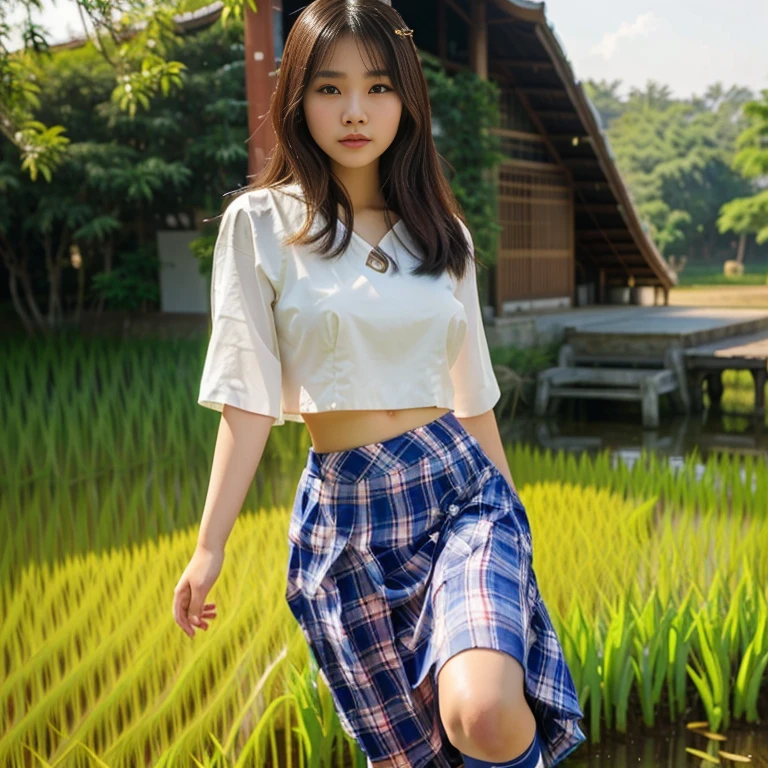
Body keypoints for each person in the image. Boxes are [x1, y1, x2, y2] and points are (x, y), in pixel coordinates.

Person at [172, 1, 587, 766]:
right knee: (417, 755)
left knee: (488, 714)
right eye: (330, 89)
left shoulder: (443, 235)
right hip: (348, 523)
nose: (355, 111)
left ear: (407, 100)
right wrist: (209, 546)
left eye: (378, 88)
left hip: (461, 493)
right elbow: (249, 395)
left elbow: (476, 398)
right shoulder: (262, 223)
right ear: (297, 98)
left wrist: (517, 528)